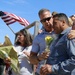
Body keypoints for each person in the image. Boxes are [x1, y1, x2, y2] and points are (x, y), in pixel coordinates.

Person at [29, 8, 57, 75]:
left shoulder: (61, 33)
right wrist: (39, 57)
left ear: (52, 17)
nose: (47, 22)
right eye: (44, 20)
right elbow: (31, 59)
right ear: (41, 21)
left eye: (48, 19)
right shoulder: (38, 37)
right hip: (42, 72)